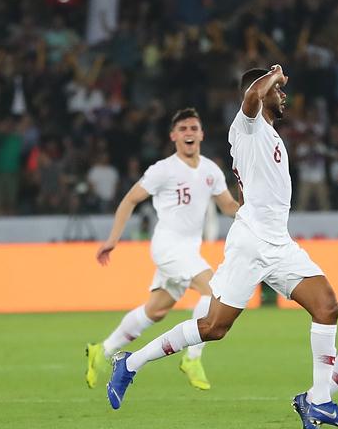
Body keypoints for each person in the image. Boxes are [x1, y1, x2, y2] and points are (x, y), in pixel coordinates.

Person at [105, 66, 338, 429]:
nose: (283, 95)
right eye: (278, 91)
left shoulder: (268, 134)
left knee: (327, 306)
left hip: (278, 242)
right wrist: (273, 75)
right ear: (262, 92)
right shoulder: (247, 126)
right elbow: (251, 97)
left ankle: (318, 401)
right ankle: (129, 364)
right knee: (214, 327)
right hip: (252, 244)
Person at [87, 108, 239, 391]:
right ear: (173, 136)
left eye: (194, 128)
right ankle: (192, 358)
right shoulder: (163, 170)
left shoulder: (210, 170)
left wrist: (251, 210)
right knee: (212, 289)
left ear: (202, 134)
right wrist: (112, 239)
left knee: (155, 311)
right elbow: (129, 200)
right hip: (168, 247)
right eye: (183, 129)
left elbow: (228, 206)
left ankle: (102, 350)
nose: (189, 133)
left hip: (188, 251)